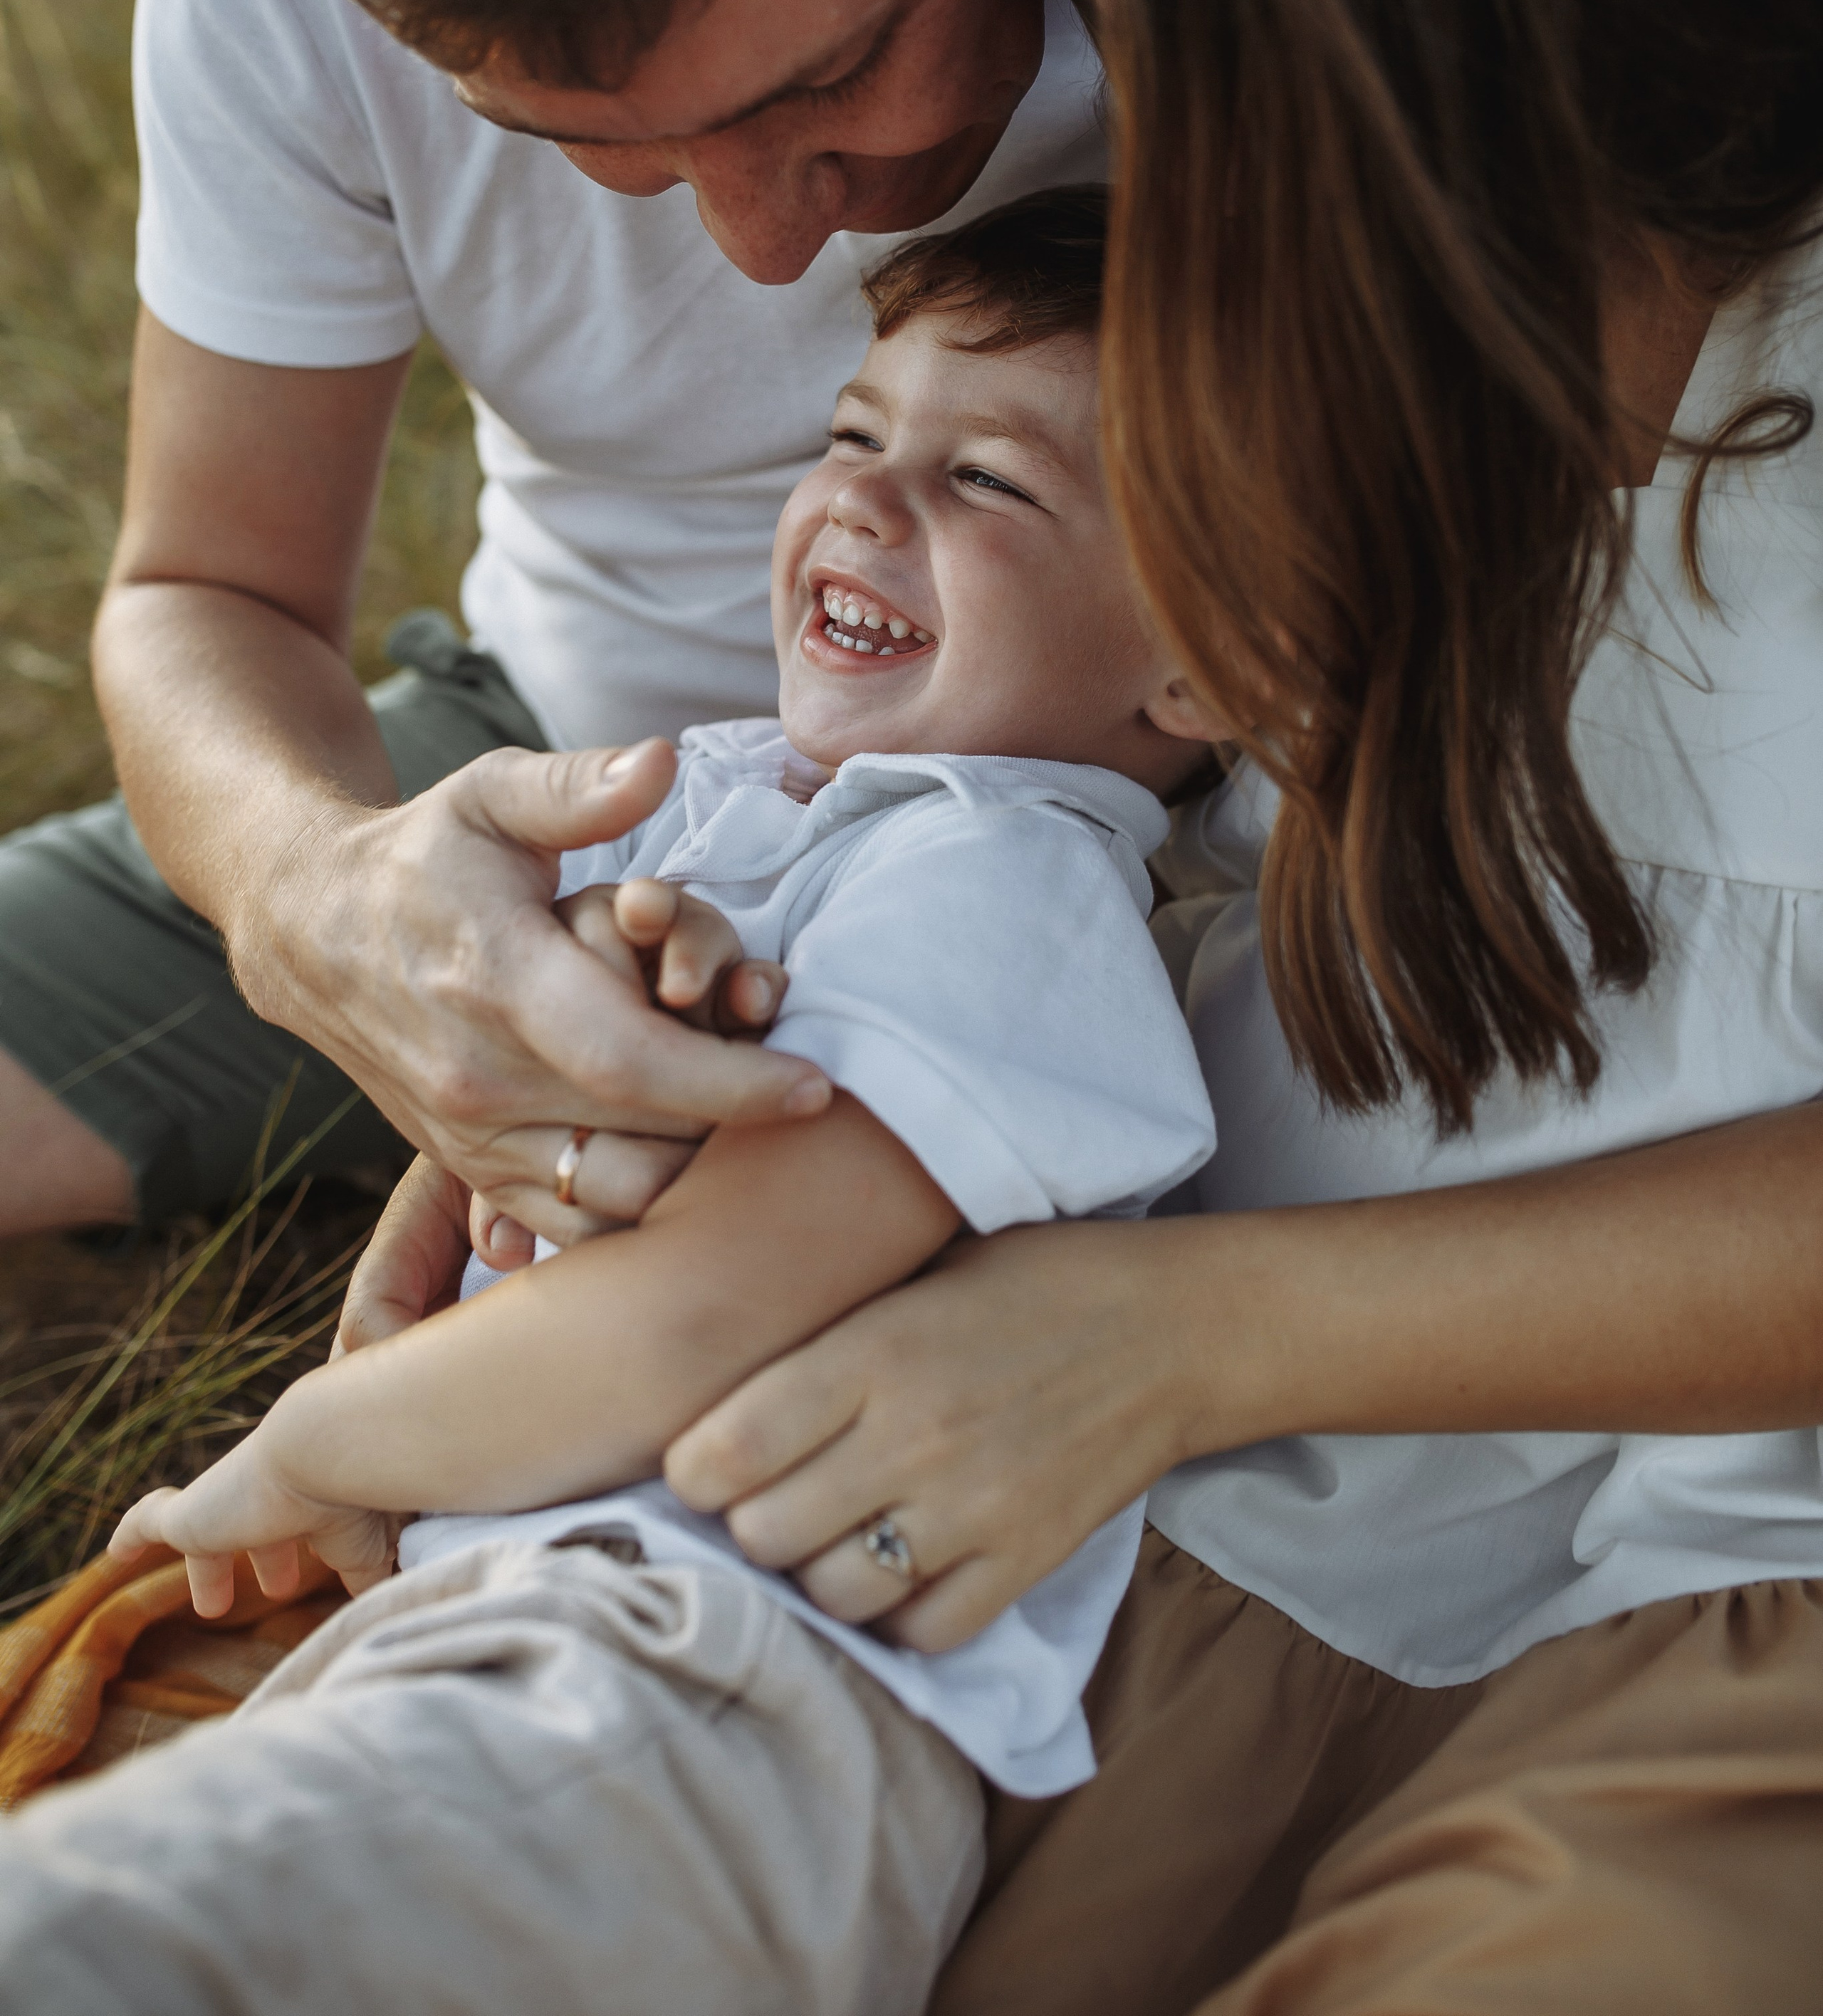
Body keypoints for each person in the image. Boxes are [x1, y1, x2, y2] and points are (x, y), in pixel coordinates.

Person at [633, 0, 1823, 2007]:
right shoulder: (1373, 365)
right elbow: (1067, 804)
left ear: (1550, 88)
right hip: (1271, 1505)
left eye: (1205, 74)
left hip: (1727, 1576)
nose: (1140, 155)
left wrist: (1180, 1334)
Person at [0, 193, 1217, 2016]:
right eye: (855, 436)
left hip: (719, 1673)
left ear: (1206, 663)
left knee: (111, 1939)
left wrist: (313, 1446)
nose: (868, 504)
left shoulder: (1013, 889)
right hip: (531, 1613)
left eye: (992, 485)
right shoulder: (768, 811)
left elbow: (692, 1320)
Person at [0, 0, 1107, 1243]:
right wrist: (325, 896)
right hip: (562, 778)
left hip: (1160, 825)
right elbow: (203, 592)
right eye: (584, 144)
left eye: (835, 71)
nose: (772, 249)